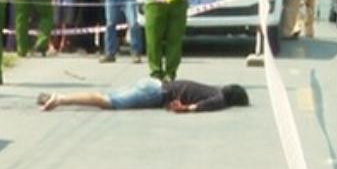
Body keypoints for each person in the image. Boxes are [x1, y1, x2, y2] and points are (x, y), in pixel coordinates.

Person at [36, 78, 249, 112]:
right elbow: (208, 105)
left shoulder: (213, 88)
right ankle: (60, 99)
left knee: (105, 96)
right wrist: (188, 108)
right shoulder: (220, 98)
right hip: (155, 93)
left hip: (153, 83)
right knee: (107, 102)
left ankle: (61, 96)